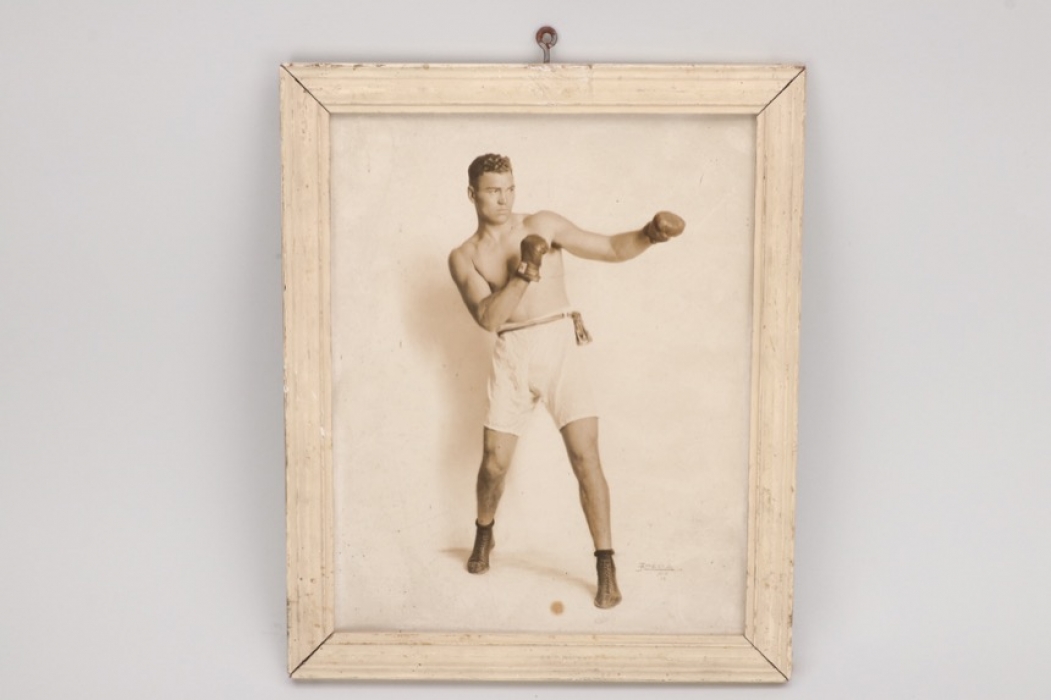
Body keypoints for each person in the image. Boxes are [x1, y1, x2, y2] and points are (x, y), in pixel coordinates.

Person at [447, 153, 686, 609]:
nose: (504, 198)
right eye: (494, 190)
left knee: (585, 454)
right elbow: (489, 319)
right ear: (472, 194)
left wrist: (649, 235)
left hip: (561, 342)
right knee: (494, 463)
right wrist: (524, 271)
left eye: (510, 188)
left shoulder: (543, 223)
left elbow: (613, 248)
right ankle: (484, 532)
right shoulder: (464, 257)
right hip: (513, 351)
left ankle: (605, 564)